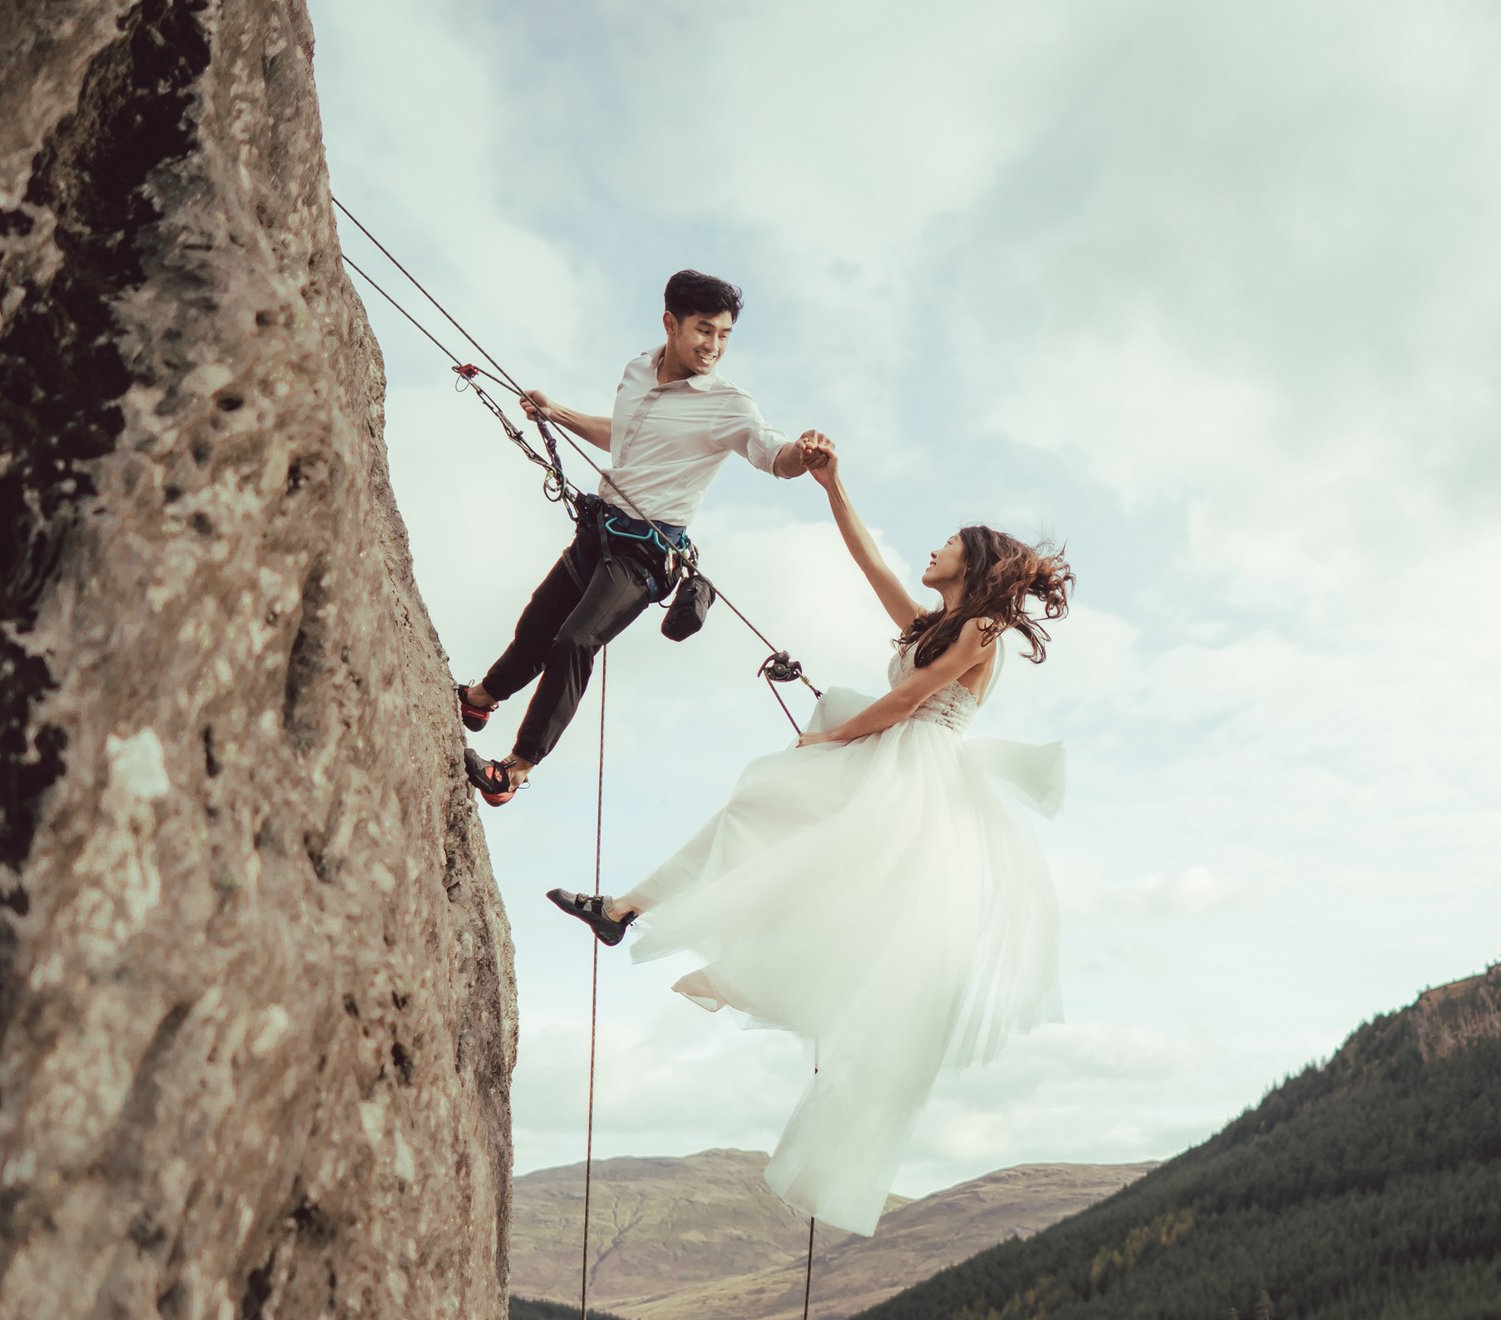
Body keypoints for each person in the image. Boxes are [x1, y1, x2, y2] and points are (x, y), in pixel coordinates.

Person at [543, 457, 1074, 1235]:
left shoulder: (983, 629)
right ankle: (625, 907)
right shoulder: (929, 624)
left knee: (823, 875)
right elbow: (869, 561)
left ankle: (737, 967)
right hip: (885, 755)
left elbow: (904, 701)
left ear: (976, 564)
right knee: (760, 813)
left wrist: (824, 742)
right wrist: (835, 490)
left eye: (948, 545)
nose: (933, 553)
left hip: (915, 774)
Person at [459, 269, 833, 805]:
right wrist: (557, 412)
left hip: (645, 556)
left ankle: (515, 769)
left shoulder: (728, 404)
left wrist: (804, 455)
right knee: (538, 625)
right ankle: (478, 699)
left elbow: (771, 453)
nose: (714, 346)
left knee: (574, 641)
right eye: (705, 330)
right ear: (670, 323)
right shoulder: (637, 369)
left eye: (725, 335)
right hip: (599, 528)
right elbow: (624, 436)